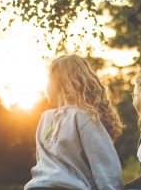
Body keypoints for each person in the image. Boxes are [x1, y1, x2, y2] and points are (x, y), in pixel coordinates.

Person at [24, 55, 124, 190]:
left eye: (48, 80)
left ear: (60, 82)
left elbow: (105, 168)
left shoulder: (82, 116)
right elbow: (108, 170)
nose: (45, 86)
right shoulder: (46, 118)